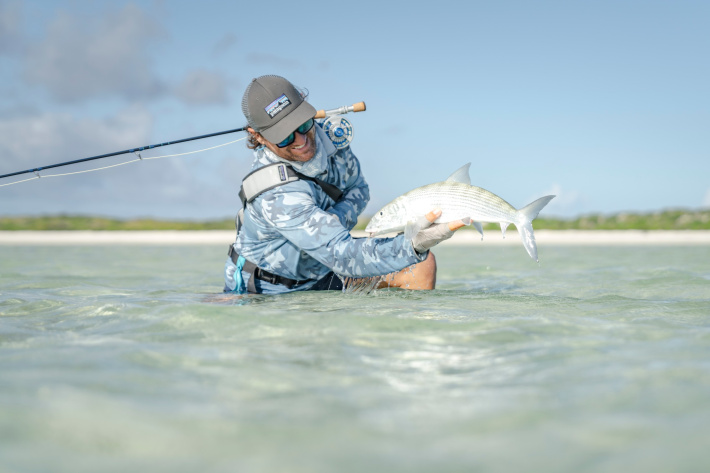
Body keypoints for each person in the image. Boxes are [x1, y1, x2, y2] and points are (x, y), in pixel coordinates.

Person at [224, 75, 466, 295]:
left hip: (326, 268)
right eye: (284, 136)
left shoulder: (332, 137)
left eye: (302, 124)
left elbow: (359, 190)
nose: (301, 140)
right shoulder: (275, 194)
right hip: (269, 287)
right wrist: (413, 243)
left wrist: (329, 224)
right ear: (258, 137)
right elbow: (341, 255)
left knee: (422, 264)